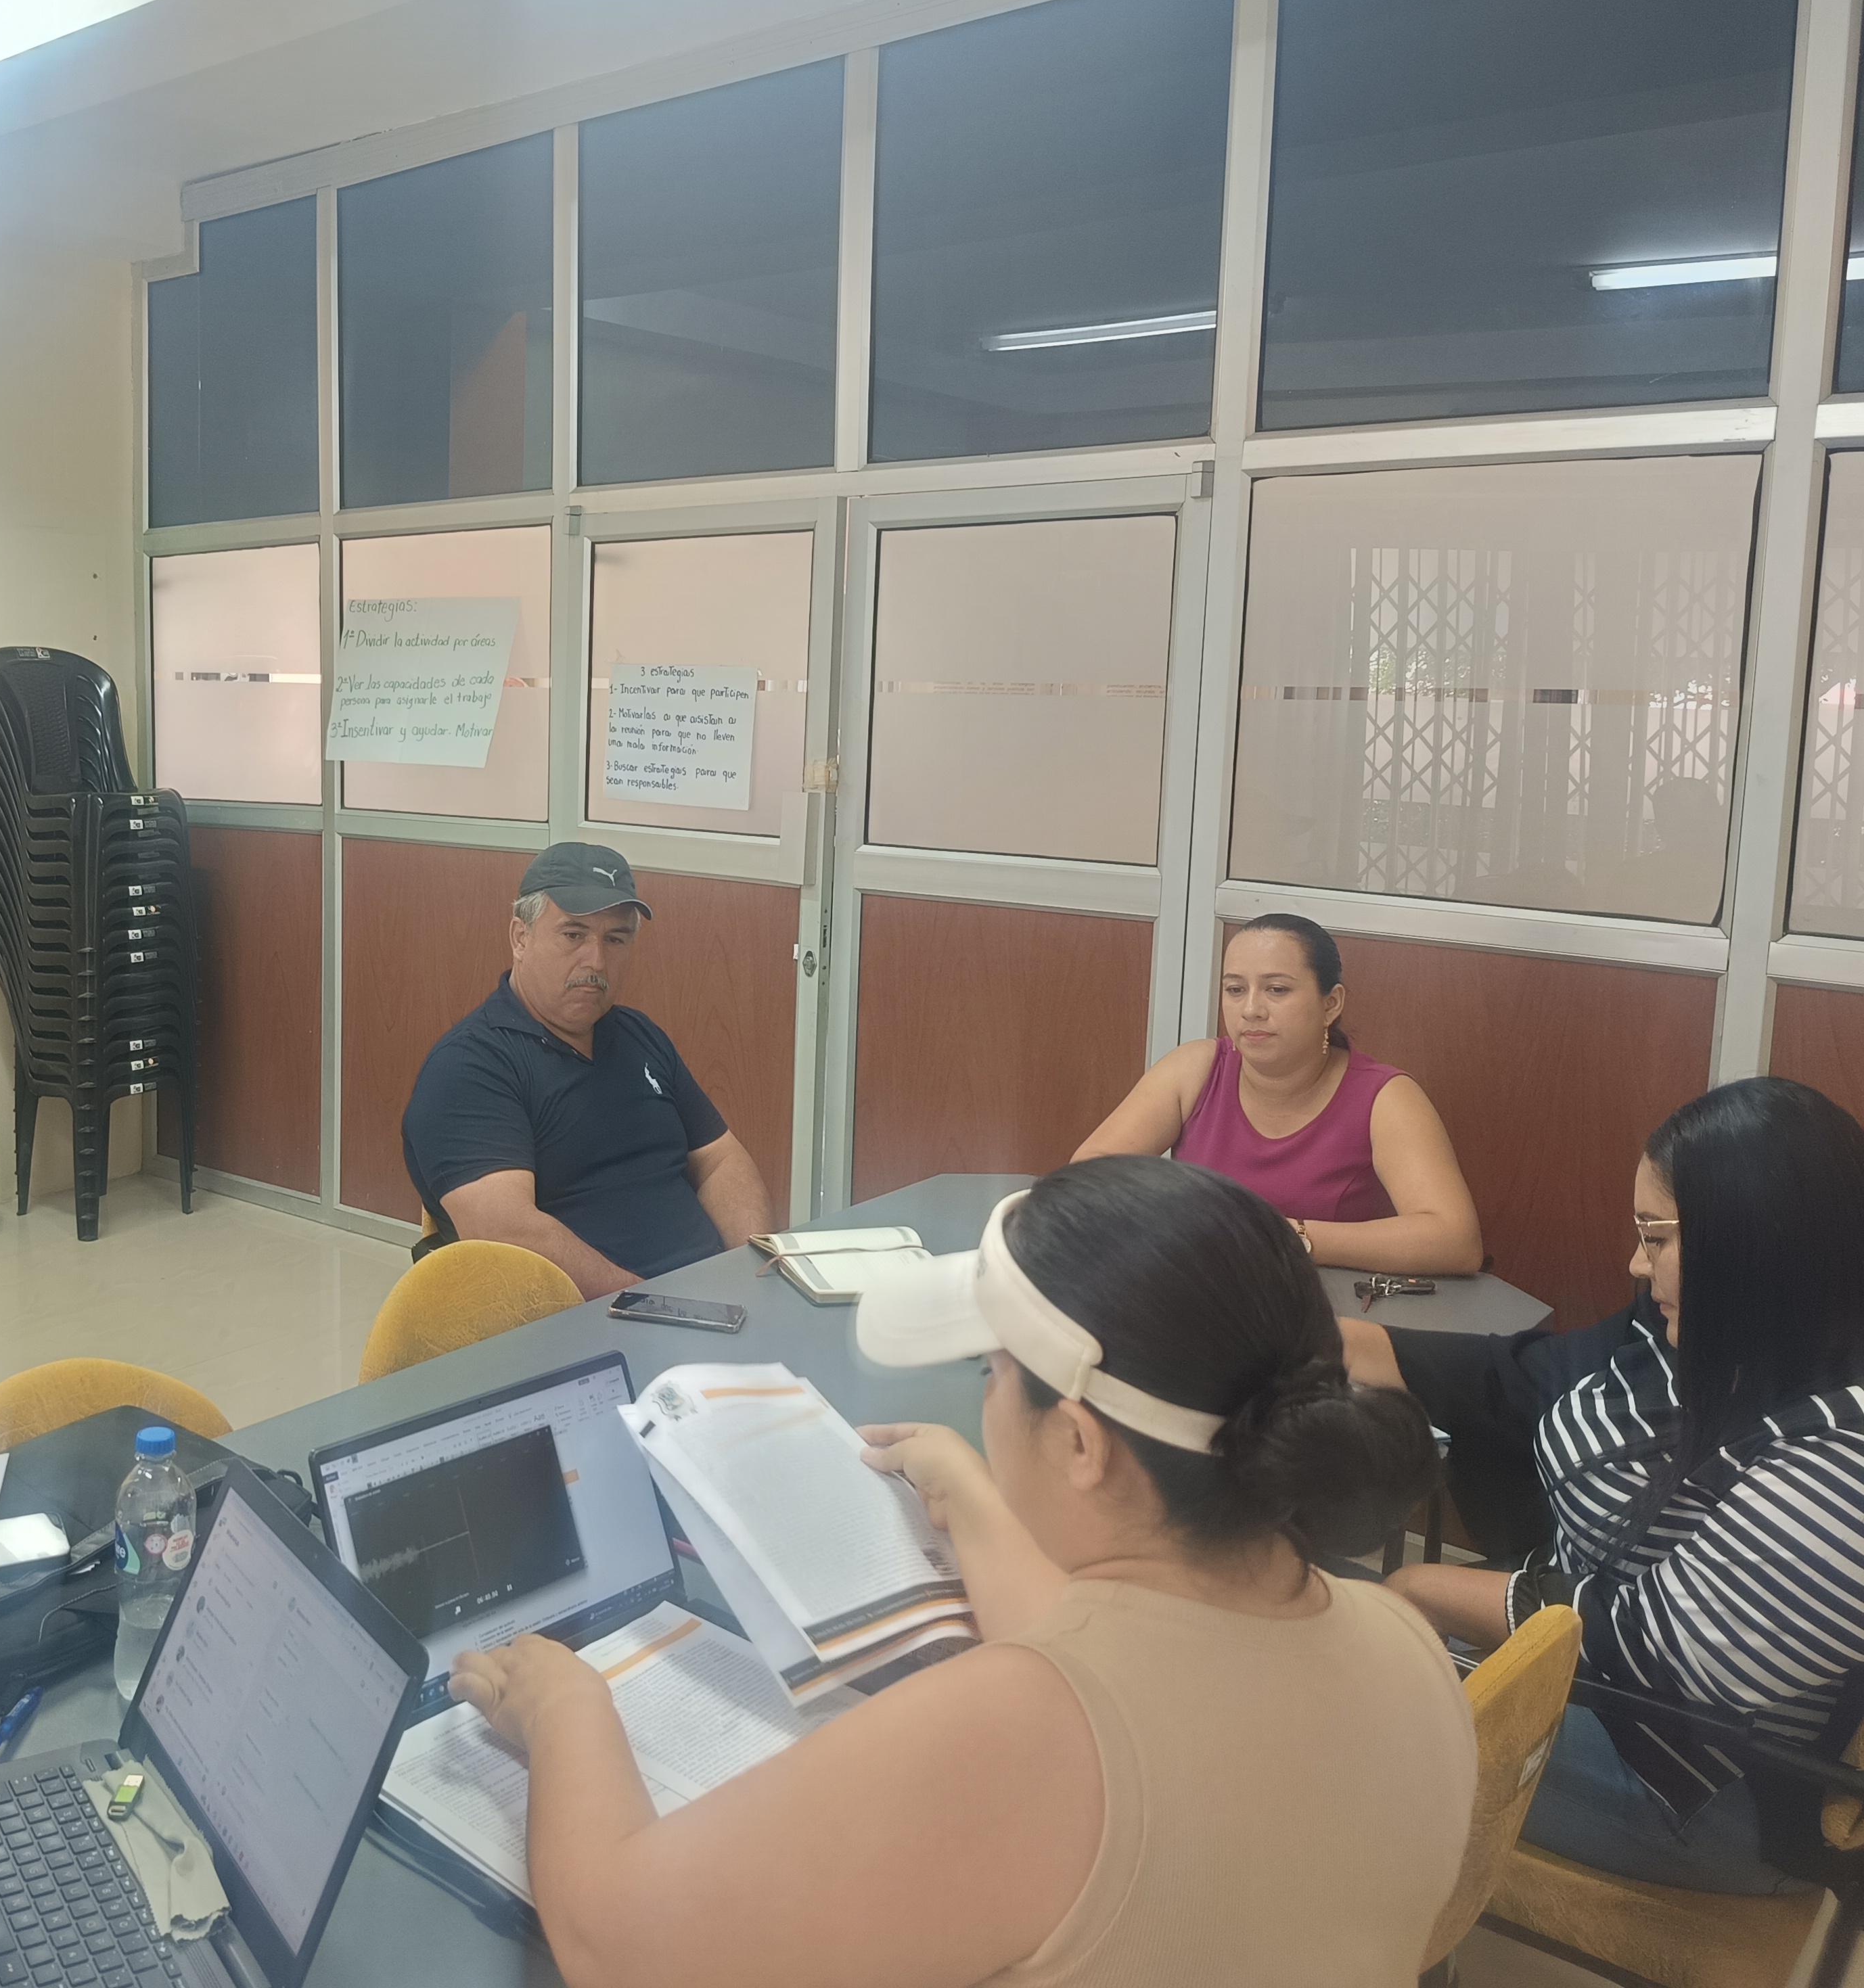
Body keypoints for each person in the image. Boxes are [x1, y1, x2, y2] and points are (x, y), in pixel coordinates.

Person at [448, 1157, 1473, 1987]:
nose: (984, 1401)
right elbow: (1130, 1668)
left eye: (992, 1373)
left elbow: (618, 1947)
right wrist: (974, 1502)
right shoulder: (1405, 1644)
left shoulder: (1022, 1736)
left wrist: (565, 1709)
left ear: (1081, 1443)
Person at [1354, 1076, 1864, 1897]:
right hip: (1592, 1675)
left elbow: (1641, 1651)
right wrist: (1317, 1335)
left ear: (1754, 1246)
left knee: (1319, 1700)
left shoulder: (1842, 1460)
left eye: (1657, 1237)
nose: (1636, 1262)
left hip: (1683, 1777)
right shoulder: (1697, 1333)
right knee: (1320, 1650)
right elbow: (1529, 1377)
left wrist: (1419, 1589)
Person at [401, 842, 769, 1296]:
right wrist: (653, 1306)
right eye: (574, 935)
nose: (596, 961)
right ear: (520, 938)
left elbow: (719, 1160)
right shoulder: (470, 1066)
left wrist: (752, 1271)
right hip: (591, 1321)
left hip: (716, 1302)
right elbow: (505, 1231)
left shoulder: (640, 1036)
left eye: (615, 939)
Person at [1074, 912, 1481, 1275]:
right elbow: (1087, 1177)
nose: (1251, 1010)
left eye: (1277, 990)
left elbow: (1455, 1241)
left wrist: (1283, 1237)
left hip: (1327, 1311)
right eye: (1235, 990)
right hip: (1200, 1295)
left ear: (1331, 1004)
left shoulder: (1385, 1097)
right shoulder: (1195, 1068)